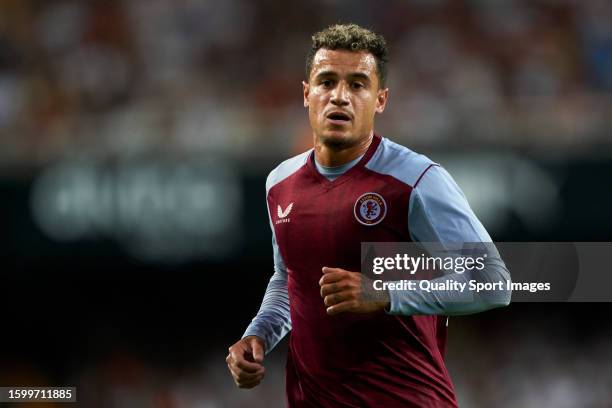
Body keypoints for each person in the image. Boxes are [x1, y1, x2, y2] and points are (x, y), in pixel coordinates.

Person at [226, 23, 511, 407]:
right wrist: (258, 334)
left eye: (358, 85)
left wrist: (385, 292)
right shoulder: (280, 183)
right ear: (307, 93)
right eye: (326, 82)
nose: (339, 97)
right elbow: (289, 278)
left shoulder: (417, 181)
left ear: (380, 99)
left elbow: (493, 281)